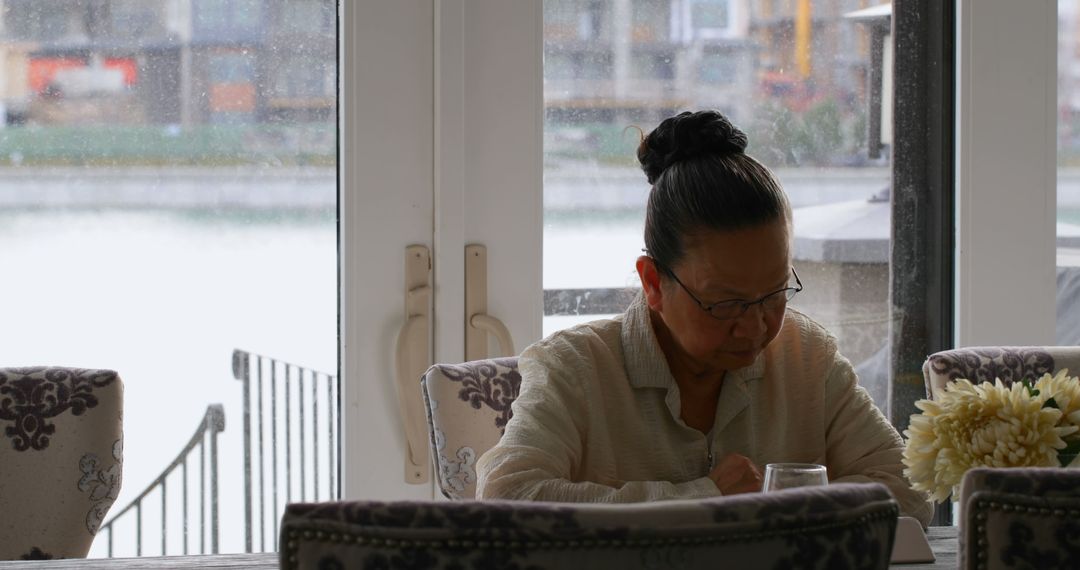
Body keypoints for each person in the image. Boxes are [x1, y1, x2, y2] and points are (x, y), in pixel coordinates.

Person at [475, 110, 933, 525]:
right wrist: (702, 501)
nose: (756, 328)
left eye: (774, 294)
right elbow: (505, 498)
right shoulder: (575, 368)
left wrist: (782, 503)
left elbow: (910, 490)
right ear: (653, 282)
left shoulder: (806, 356)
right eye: (726, 304)